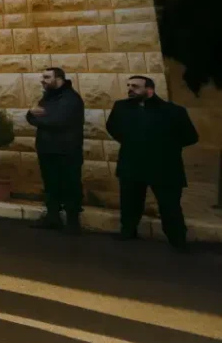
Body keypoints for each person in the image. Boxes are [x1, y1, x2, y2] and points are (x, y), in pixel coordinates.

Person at [106, 76, 199, 251]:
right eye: (129, 86)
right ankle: (128, 231)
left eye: (135, 86)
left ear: (149, 89)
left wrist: (165, 147)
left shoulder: (173, 111)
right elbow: (112, 127)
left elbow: (190, 136)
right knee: (130, 202)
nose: (130, 89)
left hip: (164, 166)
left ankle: (178, 239)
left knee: (169, 205)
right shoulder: (122, 107)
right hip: (132, 163)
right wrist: (131, 142)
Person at [26, 67, 85, 234]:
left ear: (58, 78)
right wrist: (34, 114)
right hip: (47, 149)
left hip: (67, 151)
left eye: (46, 77)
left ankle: (73, 222)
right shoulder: (47, 98)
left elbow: (59, 122)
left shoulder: (71, 99)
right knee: (51, 185)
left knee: (70, 185)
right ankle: (53, 217)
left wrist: (39, 116)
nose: (42, 80)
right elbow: (31, 116)